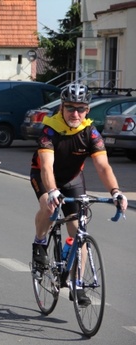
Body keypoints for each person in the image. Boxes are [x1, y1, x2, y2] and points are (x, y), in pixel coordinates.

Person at [30, 82, 128, 305]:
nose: (76, 113)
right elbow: (46, 167)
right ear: (62, 107)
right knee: (48, 203)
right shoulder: (50, 129)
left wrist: (116, 191)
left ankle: (77, 284)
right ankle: (39, 243)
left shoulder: (90, 132)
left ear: (88, 110)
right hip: (45, 176)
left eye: (81, 108)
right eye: (71, 108)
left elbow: (103, 167)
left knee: (79, 232)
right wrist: (53, 190)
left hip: (73, 179)